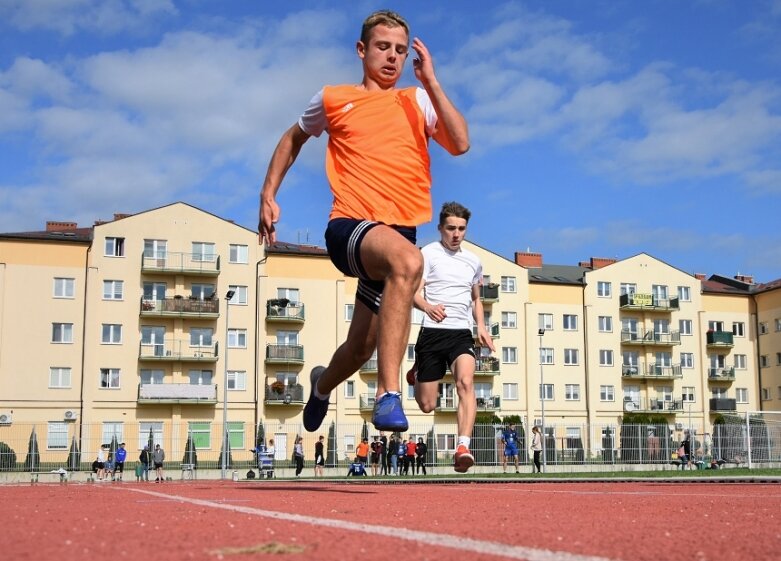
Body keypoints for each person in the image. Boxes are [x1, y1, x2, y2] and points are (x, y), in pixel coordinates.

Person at [258, 10, 469, 434]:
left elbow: (460, 143)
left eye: (400, 50)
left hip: (397, 234)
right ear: (362, 50)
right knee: (410, 262)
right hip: (350, 226)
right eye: (382, 47)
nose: (392, 57)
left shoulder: (417, 100)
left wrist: (431, 81)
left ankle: (321, 385)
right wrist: (268, 193)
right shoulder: (333, 98)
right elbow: (292, 138)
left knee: (362, 346)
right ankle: (389, 394)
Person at [408, 202, 495, 473]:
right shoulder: (427, 254)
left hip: (460, 333)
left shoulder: (473, 262)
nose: (456, 234)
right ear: (440, 228)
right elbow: (411, 292)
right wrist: (428, 307)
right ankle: (419, 369)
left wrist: (480, 325)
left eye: (461, 229)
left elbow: (476, 299)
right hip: (432, 334)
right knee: (427, 405)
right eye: (450, 228)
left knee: (465, 383)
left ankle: (463, 447)